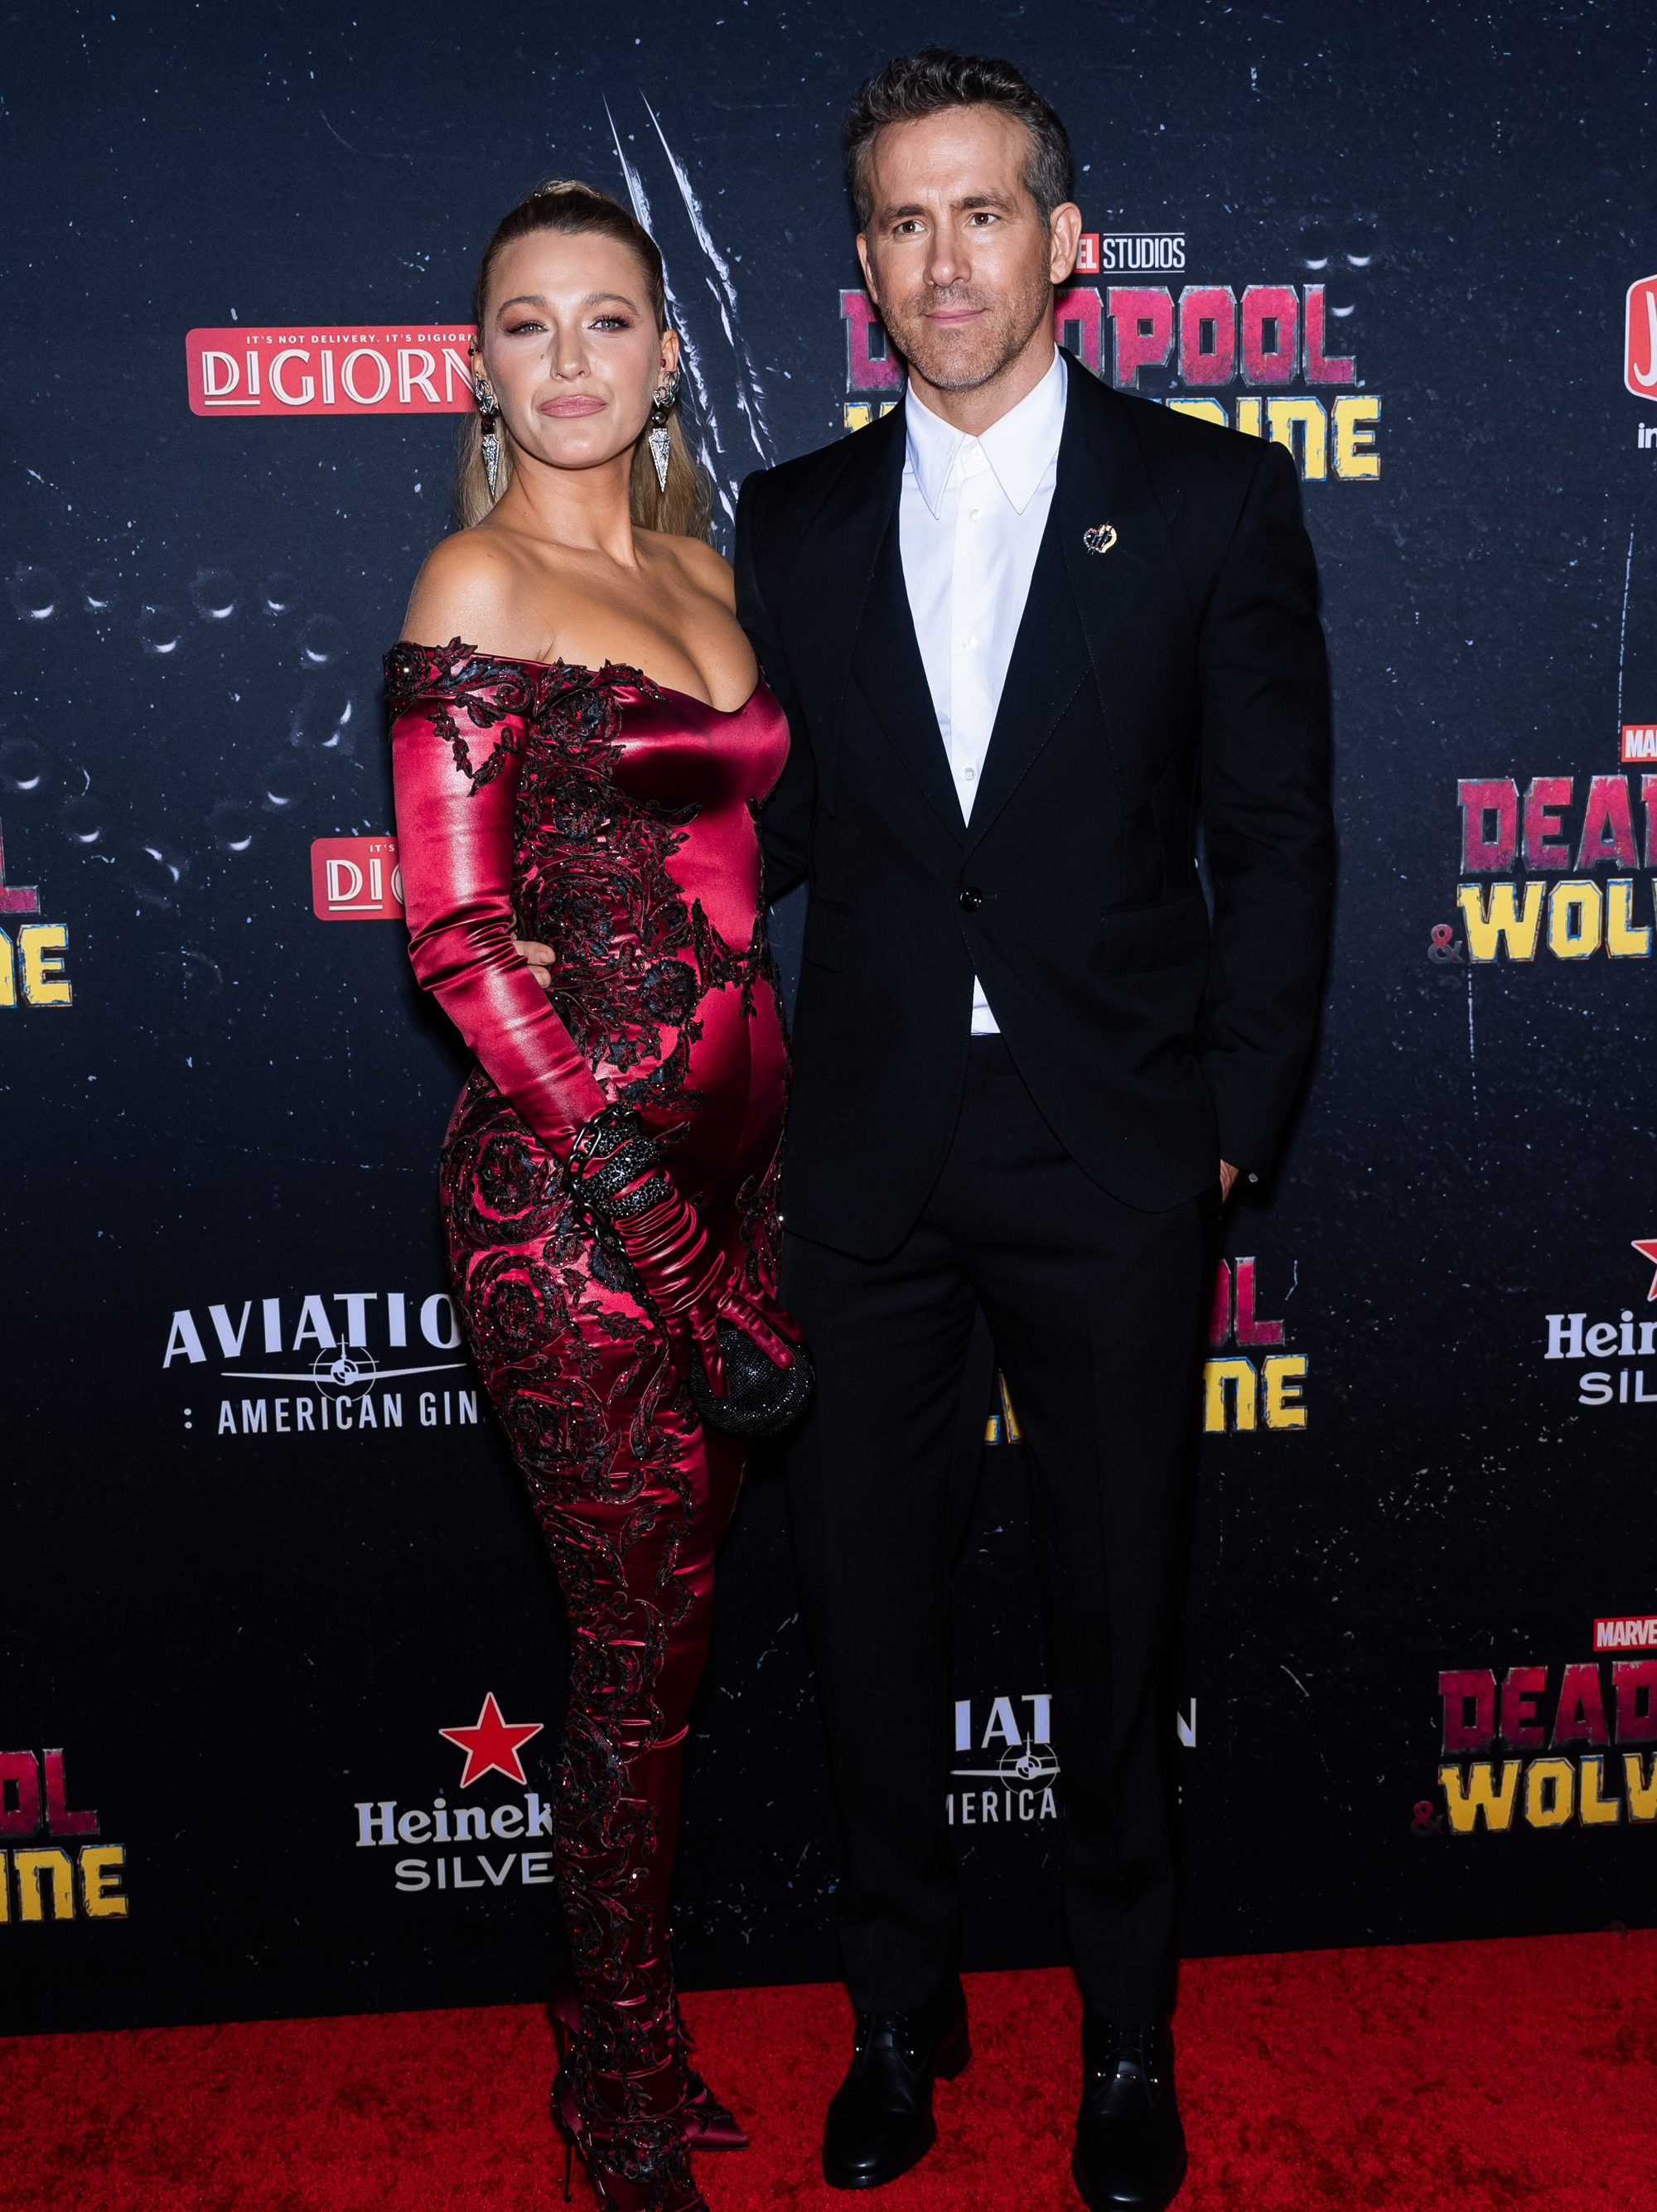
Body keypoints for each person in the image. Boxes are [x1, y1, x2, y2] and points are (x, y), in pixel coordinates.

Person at [735, 49, 1334, 2212]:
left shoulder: (1210, 499)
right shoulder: (794, 520)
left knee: (1117, 1620)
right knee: (869, 1612)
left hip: (1113, 1152)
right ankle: (900, 2009)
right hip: (870, 1153)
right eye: (902, 221)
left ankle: (1126, 2037)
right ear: (866, 271)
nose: (942, 257)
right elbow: (783, 827)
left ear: (1067, 243)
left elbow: (1277, 841)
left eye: (982, 212)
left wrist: (1227, 1129)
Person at [386, 178, 799, 2212]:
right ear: (482, 364)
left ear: (659, 351)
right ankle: (613, 2083)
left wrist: (740, 1208)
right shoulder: (475, 579)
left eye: (607, 321)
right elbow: (456, 946)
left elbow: (723, 877)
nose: (569, 360)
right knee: (634, 1660)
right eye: (527, 325)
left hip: (736, 1194)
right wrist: (652, 1224)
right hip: (566, 1210)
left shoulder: (704, 565)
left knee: (675, 1652)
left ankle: (623, 2026)